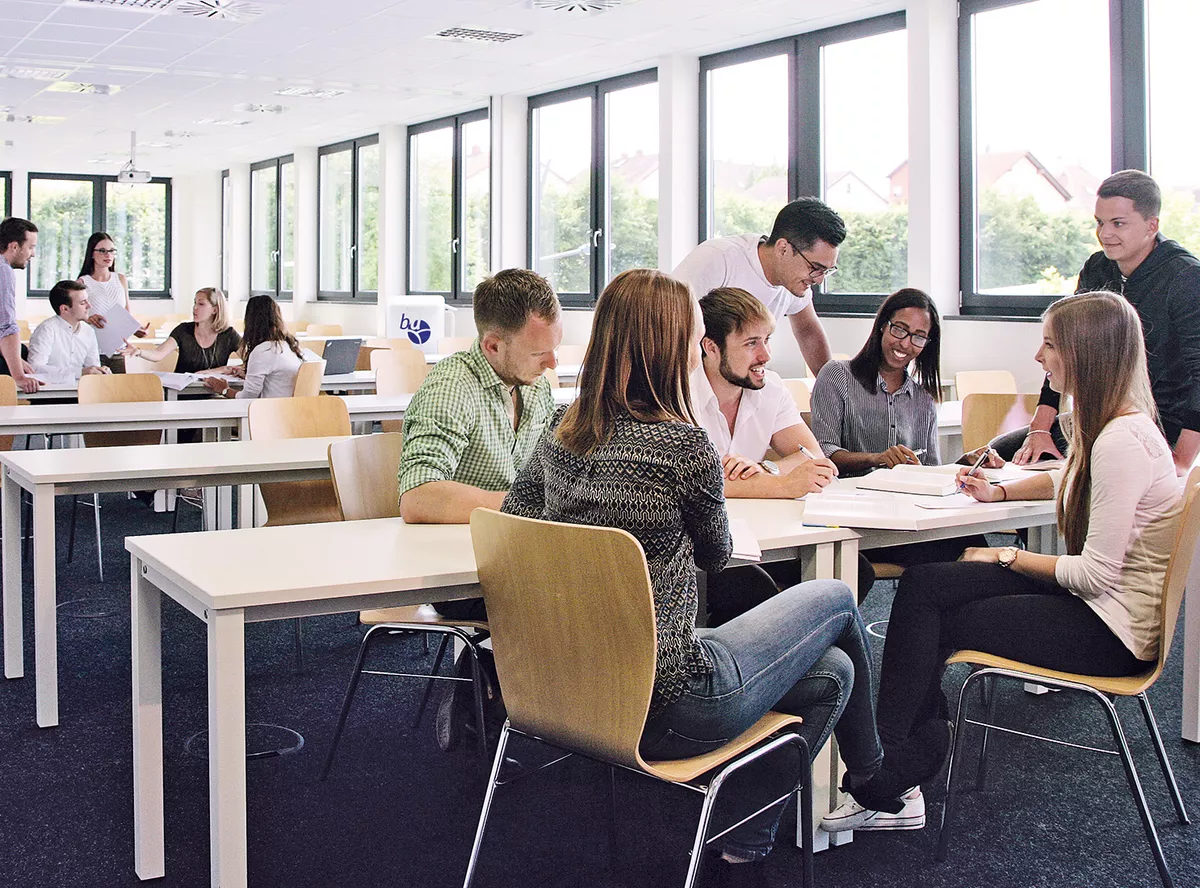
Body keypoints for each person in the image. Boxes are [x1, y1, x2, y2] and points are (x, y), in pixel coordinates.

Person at [503, 268, 893, 884]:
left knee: (835, 673)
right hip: (670, 701)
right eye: (691, 334)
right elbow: (716, 556)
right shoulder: (683, 447)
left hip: (565, 686)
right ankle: (872, 774)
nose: (697, 347)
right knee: (838, 599)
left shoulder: (561, 430)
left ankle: (749, 836)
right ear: (674, 347)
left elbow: (515, 519)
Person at [824, 290, 1183, 833]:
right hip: (1107, 609)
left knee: (935, 614)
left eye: (1049, 345)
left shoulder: (1121, 440)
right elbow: (1069, 477)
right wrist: (1000, 495)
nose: (1039, 359)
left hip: (1109, 630)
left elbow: (1093, 573)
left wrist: (1006, 555)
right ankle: (896, 769)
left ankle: (890, 776)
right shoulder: (1118, 425)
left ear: (1084, 354)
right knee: (927, 585)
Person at [994, 170, 1200, 475]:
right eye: (1100, 223)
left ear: (1151, 225)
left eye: (1118, 224)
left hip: (1160, 426)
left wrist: (1181, 459)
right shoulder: (1096, 268)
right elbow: (1063, 348)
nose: (1105, 234)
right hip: (1097, 419)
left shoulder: (1185, 278)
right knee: (994, 457)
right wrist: (1039, 428)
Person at [690, 286, 876, 618]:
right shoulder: (679, 392)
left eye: (767, 340)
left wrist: (766, 469)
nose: (765, 355)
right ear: (711, 347)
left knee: (855, 570)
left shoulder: (770, 388)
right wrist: (782, 484)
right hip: (704, 542)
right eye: (751, 344)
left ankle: (800, 654)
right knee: (746, 587)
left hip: (762, 532)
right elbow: (697, 484)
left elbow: (813, 460)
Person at [809, 288, 994, 573]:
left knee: (977, 550)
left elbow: (928, 470)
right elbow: (823, 454)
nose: (906, 343)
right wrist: (877, 458)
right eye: (900, 330)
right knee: (962, 554)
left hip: (906, 518)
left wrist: (964, 463)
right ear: (883, 325)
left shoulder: (923, 399)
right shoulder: (837, 375)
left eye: (918, 337)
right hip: (851, 518)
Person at [673, 197, 845, 377]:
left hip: (736, 383)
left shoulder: (792, 281)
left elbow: (807, 330)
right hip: (687, 380)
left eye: (826, 271)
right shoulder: (718, 258)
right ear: (783, 249)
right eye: (815, 268)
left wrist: (833, 387)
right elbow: (666, 323)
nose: (818, 280)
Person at [203, 294, 303, 399]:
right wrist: (249, 375)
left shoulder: (263, 351)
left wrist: (223, 389)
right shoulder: (287, 346)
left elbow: (247, 397)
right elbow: (275, 380)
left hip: (270, 411)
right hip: (289, 409)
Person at [77, 231, 147, 372]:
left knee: (118, 392)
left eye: (111, 251)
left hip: (118, 349)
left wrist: (136, 329)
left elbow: (126, 313)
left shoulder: (120, 279)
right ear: (92, 253)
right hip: (93, 349)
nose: (108, 255)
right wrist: (88, 319)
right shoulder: (82, 282)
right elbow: (73, 318)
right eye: (102, 251)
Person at [134, 287, 241, 374]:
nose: (195, 307)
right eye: (195, 303)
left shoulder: (229, 334)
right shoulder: (183, 330)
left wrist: (221, 370)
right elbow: (158, 354)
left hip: (213, 394)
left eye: (201, 304)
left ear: (215, 309)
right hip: (181, 394)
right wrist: (138, 352)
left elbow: (251, 361)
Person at [26, 280, 108, 383]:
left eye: (88, 301)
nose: (89, 306)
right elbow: (35, 368)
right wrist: (79, 372)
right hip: (50, 394)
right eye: (83, 303)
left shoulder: (89, 331)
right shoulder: (46, 329)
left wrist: (100, 371)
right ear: (65, 309)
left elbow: (92, 367)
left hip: (82, 393)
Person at [0, 217, 41, 393]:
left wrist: (15, 358)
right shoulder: (3, 271)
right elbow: (6, 326)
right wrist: (18, 376)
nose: (32, 254)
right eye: (30, 247)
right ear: (14, 246)